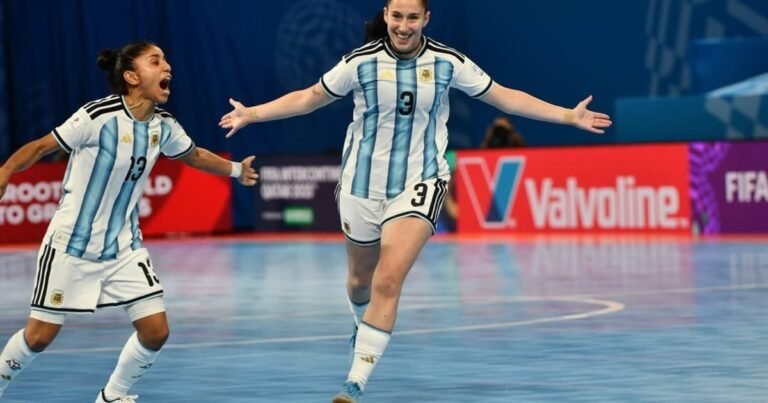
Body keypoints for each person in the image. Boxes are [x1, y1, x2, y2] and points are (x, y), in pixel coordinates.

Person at [219, 0, 611, 401]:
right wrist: (252, 114)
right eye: (396, 16)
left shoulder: (448, 62)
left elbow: (505, 98)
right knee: (360, 281)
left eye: (412, 17)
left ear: (426, 19)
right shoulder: (360, 62)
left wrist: (568, 116)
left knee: (388, 279)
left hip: (420, 182)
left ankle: (354, 383)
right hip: (360, 185)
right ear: (385, 15)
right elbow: (309, 98)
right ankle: (361, 322)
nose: (403, 26)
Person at [0, 41, 258, 402]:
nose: (167, 67)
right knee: (39, 337)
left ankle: (111, 397)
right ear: (132, 77)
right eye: (156, 61)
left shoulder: (164, 126)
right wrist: (6, 170)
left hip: (124, 246)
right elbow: (42, 146)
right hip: (70, 244)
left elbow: (195, 155)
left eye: (166, 60)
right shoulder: (97, 116)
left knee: (156, 331)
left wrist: (236, 170)